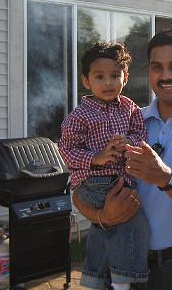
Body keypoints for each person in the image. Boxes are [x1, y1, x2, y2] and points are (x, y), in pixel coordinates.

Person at [73, 29, 172, 290]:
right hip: (116, 263)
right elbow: (82, 191)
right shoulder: (122, 122)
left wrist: (165, 178)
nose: (166, 76)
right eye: (156, 67)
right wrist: (103, 216)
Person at [59, 42, 149, 290]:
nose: (108, 82)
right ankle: (122, 281)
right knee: (132, 221)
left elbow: (141, 133)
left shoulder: (130, 107)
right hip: (94, 181)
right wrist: (96, 157)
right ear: (86, 81)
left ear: (126, 77)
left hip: (117, 179)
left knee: (103, 229)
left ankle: (94, 279)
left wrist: (128, 142)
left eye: (115, 75)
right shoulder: (80, 115)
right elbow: (66, 150)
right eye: (100, 77)